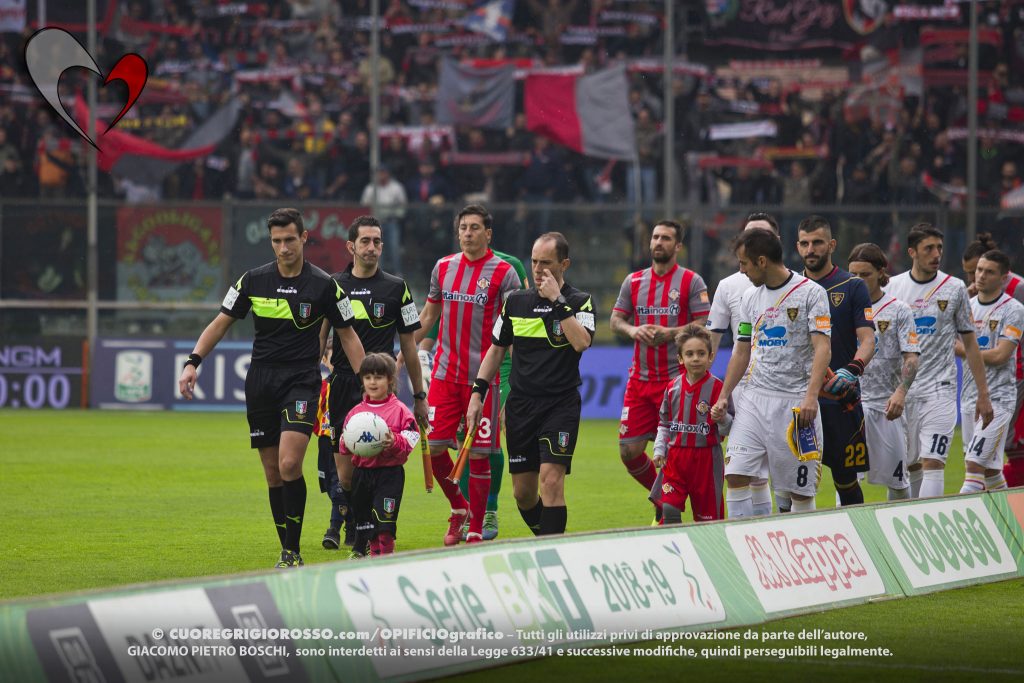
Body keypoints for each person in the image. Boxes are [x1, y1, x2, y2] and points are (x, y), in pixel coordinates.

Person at [178, 207, 365, 568]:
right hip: (261, 381)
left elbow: (348, 336)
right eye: (277, 241)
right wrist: (192, 362)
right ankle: (288, 548)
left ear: (304, 237)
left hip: (301, 380)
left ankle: (291, 551)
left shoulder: (325, 285)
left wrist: (367, 388)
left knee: (290, 462)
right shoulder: (252, 280)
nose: (283, 248)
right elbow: (220, 323)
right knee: (273, 473)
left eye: (290, 240)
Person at [466, 232, 595, 535]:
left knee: (551, 481)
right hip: (521, 406)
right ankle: (547, 539)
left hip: (560, 405)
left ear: (564, 264)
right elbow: (496, 350)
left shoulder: (580, 302)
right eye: (534, 262)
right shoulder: (515, 302)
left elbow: (581, 342)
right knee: (523, 494)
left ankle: (552, 555)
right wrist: (477, 393)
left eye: (546, 263)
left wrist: (556, 301)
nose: (537, 270)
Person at [415, 205, 522, 545]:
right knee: (434, 449)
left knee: (478, 453)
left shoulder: (505, 273)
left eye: (475, 227)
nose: (468, 233)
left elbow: (514, 327)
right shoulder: (443, 267)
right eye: (463, 227)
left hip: (483, 379)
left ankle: (476, 525)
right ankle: (458, 508)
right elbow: (430, 313)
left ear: (488, 233)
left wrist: (517, 376)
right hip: (445, 375)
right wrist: (405, 350)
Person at [319, 216, 426, 551]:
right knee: (346, 473)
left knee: (378, 460)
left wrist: (419, 395)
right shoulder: (333, 285)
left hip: (379, 392)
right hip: (341, 386)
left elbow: (409, 346)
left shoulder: (397, 288)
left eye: (377, 241)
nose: (372, 247)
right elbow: (319, 338)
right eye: (365, 241)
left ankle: (367, 533)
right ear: (351, 246)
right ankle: (354, 521)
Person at [712, 228, 832, 516]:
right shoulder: (750, 298)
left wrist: (811, 398)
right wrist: (725, 395)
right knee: (736, 475)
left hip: (794, 404)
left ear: (762, 261)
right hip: (753, 399)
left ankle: (803, 549)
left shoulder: (811, 294)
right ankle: (743, 547)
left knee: (799, 492)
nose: (742, 271)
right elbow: (742, 350)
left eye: (744, 264)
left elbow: (822, 348)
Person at [610, 220, 710, 519]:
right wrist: (633, 331)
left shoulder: (692, 282)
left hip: (675, 382)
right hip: (639, 380)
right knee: (628, 451)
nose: (658, 242)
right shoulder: (634, 281)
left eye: (666, 238)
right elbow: (616, 320)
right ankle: (661, 499)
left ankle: (670, 507)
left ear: (678, 246)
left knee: (674, 453)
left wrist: (671, 333)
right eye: (655, 237)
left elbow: (704, 323)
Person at [886, 224, 993, 498]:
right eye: (928, 249)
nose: (936, 254)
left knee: (933, 461)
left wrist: (983, 394)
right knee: (908, 467)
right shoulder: (894, 288)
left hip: (940, 390)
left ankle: (928, 526)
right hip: (903, 392)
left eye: (939, 248)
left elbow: (970, 343)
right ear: (912, 252)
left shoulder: (955, 287)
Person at [796, 216, 875, 507]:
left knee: (846, 481)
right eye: (804, 243)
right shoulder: (790, 288)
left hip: (841, 399)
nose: (811, 249)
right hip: (799, 400)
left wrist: (853, 370)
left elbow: (868, 339)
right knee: (795, 483)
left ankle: (861, 545)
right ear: (797, 247)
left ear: (831, 244)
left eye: (817, 242)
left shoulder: (853, 286)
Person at [706, 211, 780, 514]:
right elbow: (715, 334)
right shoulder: (729, 285)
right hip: (743, 387)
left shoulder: (797, 284)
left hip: (784, 390)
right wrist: (706, 382)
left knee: (774, 478)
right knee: (741, 471)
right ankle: (745, 540)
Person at [848, 243, 920, 500]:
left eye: (864, 274)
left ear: (881, 272)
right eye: (852, 274)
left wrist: (901, 392)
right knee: (846, 481)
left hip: (886, 407)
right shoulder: (841, 306)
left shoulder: (899, 310)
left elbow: (911, 355)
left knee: (899, 484)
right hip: (850, 407)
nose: (857, 280)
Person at [955, 249, 1024, 494]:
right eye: (979, 270)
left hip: (999, 400)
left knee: (973, 465)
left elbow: (1000, 355)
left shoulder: (1014, 310)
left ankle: (961, 525)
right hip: (968, 398)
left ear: (1004, 278)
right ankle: (1011, 524)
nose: (981, 276)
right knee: (992, 471)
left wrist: (964, 350)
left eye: (989, 272)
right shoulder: (967, 306)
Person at [340, 353, 420, 557]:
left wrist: (394, 442)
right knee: (368, 526)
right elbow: (344, 445)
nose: (372, 382)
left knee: (384, 525)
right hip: (362, 474)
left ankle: (386, 558)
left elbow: (411, 438)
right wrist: (346, 441)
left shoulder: (401, 411)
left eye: (378, 377)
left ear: (390, 380)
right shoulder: (355, 413)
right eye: (368, 377)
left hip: (389, 475)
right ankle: (374, 559)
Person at [651, 324, 731, 523]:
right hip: (675, 459)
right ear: (680, 359)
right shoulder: (672, 388)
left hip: (707, 461)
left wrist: (721, 418)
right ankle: (677, 552)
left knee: (708, 523)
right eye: (690, 354)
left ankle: (706, 552)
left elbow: (729, 427)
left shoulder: (718, 388)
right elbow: (664, 423)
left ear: (710, 356)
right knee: (669, 509)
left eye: (701, 353)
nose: (695, 358)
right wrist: (659, 450)